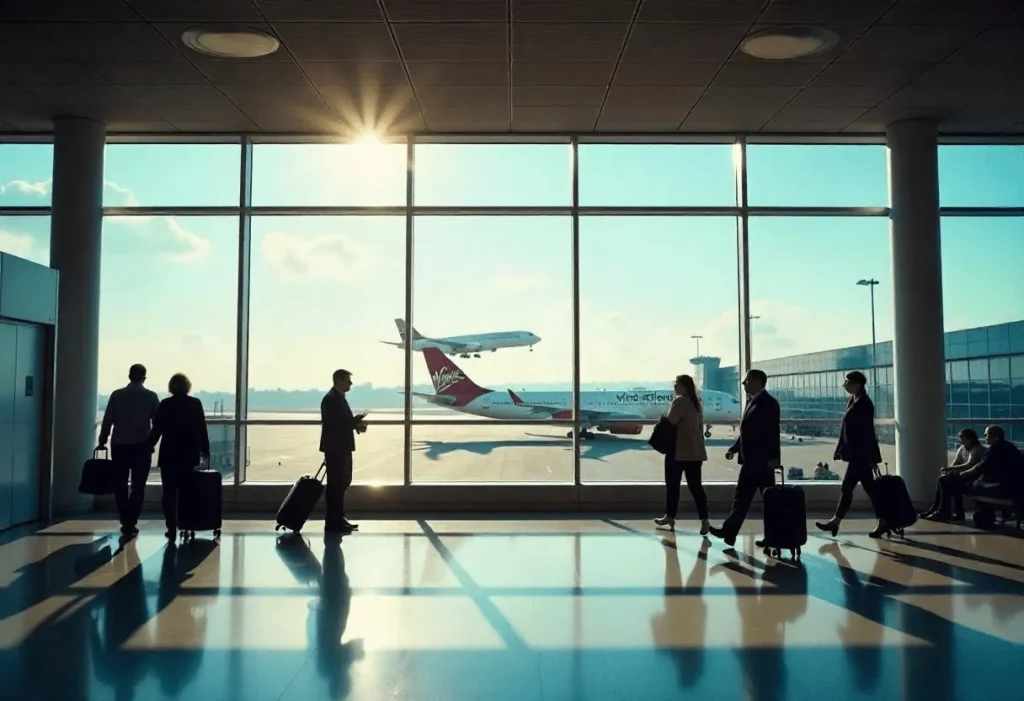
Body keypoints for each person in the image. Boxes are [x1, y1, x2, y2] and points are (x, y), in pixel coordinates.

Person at [708, 369, 781, 548]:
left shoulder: (769, 403)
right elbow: (747, 431)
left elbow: (772, 433)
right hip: (750, 461)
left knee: (767, 501)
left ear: (757, 382)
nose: (743, 384)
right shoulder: (753, 401)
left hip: (763, 462)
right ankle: (730, 532)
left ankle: (772, 536)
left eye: (746, 380)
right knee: (742, 498)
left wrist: (773, 458)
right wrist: (735, 448)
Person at [815, 371, 888, 539]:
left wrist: (872, 458)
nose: (844, 385)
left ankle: (881, 521)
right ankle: (838, 521)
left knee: (856, 489)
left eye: (847, 382)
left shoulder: (865, 404)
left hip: (861, 456)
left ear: (858, 384)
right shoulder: (853, 401)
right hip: (857, 455)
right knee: (858, 489)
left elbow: (867, 433)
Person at [97, 363, 160, 537]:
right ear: (144, 377)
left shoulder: (117, 395)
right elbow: (158, 423)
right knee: (138, 486)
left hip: (120, 445)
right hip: (142, 446)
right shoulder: (151, 396)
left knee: (121, 485)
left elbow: (108, 419)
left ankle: (125, 518)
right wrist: (151, 443)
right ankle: (132, 519)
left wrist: (103, 439)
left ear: (129, 376)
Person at [147, 373, 210, 539]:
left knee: (169, 493)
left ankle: (171, 527)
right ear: (187, 386)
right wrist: (205, 451)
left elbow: (157, 428)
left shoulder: (166, 404)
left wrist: (148, 446)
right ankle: (187, 523)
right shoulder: (195, 404)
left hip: (169, 455)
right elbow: (201, 429)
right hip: (188, 454)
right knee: (186, 491)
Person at [928, 425, 1023, 520]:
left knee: (946, 482)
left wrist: (961, 474)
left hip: (996, 488)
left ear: (995, 437)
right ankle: (946, 512)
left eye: (986, 435)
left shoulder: (994, 450)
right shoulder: (1010, 447)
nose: (984, 437)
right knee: (950, 481)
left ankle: (943, 512)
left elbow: (978, 468)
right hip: (1011, 488)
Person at [654, 375, 710, 534]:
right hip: (695, 452)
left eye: (677, 384)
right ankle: (704, 520)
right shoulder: (697, 403)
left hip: (678, 451)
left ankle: (670, 516)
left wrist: (661, 420)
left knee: (673, 486)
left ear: (684, 386)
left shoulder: (680, 402)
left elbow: (670, 421)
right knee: (696, 487)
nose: (674, 387)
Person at [320, 369, 367, 536]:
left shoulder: (337, 398)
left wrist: (354, 423)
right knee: (336, 485)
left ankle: (339, 518)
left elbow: (340, 422)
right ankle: (334, 521)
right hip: (336, 448)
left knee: (342, 483)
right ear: (339, 380)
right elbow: (336, 424)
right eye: (348, 381)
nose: (351, 384)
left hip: (341, 447)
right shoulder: (331, 399)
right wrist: (354, 423)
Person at [920, 428, 987, 521]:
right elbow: (956, 462)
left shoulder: (977, 449)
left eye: (962, 437)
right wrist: (949, 471)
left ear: (970, 439)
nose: (960, 440)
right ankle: (941, 510)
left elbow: (969, 465)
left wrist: (950, 469)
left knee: (945, 482)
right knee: (944, 480)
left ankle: (941, 511)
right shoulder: (962, 448)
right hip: (965, 476)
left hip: (974, 478)